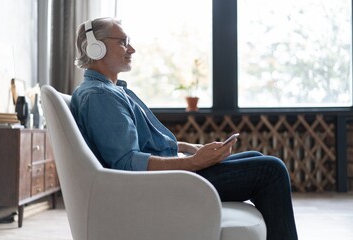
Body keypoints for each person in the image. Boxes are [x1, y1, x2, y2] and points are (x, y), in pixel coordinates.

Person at [71, 17, 298, 240]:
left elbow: (133, 143)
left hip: (164, 179)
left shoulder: (108, 91)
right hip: (160, 187)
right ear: (95, 48)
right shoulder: (100, 97)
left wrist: (186, 147)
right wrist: (193, 163)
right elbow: (127, 163)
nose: (132, 49)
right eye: (122, 42)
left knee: (255, 157)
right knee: (271, 170)